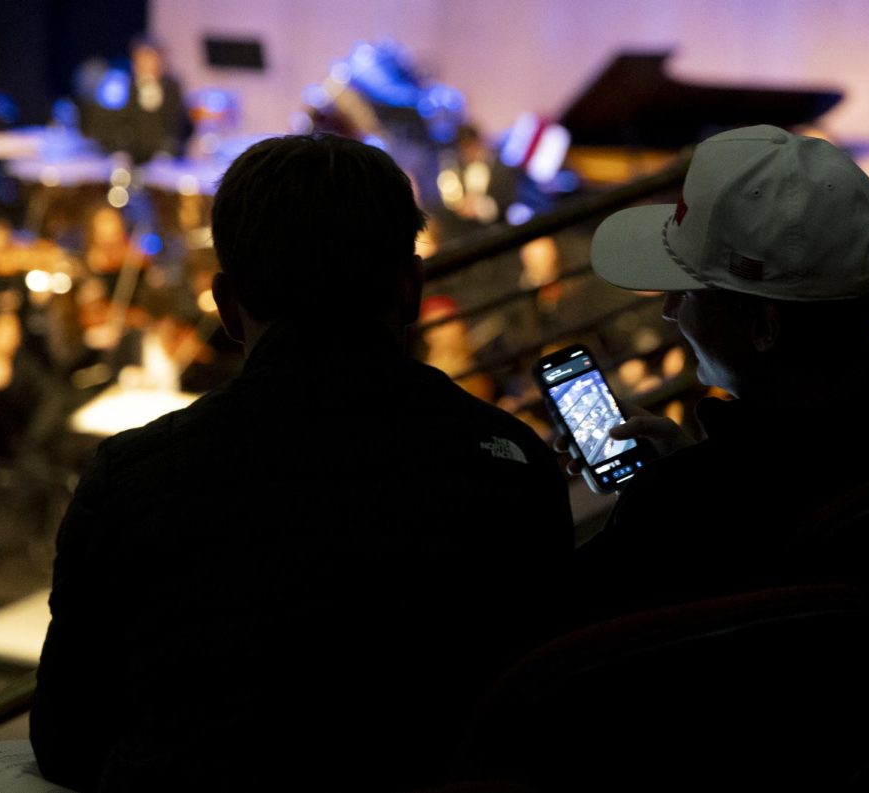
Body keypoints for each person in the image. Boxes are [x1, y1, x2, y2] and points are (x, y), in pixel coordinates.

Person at [31, 134, 574, 792]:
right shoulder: (515, 468)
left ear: (228, 306)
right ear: (410, 288)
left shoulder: (130, 476)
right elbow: (541, 720)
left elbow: (66, 738)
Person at [571, 124, 869, 617]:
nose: (669, 308)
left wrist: (683, 482)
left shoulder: (682, 512)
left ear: (764, 327)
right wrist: (693, 463)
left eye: (689, 290)